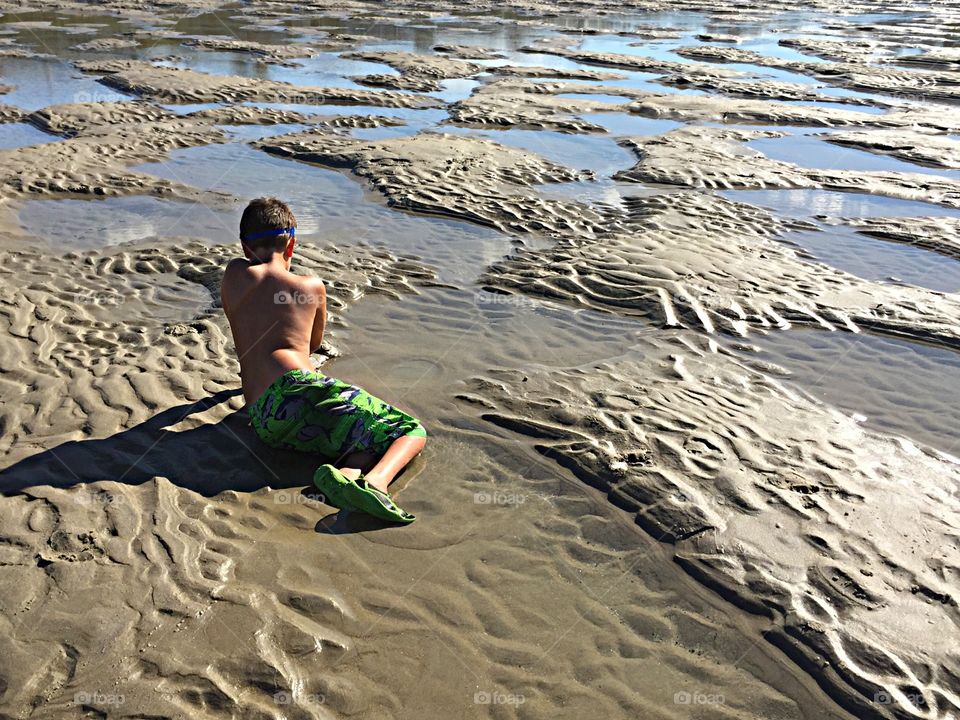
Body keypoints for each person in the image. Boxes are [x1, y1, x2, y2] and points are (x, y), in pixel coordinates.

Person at [220, 197, 426, 523]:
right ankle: (376, 482)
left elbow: (239, 323)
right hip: (300, 387)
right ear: (292, 245)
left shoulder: (233, 275)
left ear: (244, 247)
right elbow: (313, 345)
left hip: (264, 419)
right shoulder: (310, 285)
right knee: (408, 429)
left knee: (361, 433)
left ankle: (346, 472)